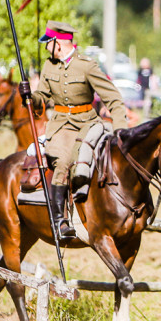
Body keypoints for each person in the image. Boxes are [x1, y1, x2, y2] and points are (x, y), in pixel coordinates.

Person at [28, 21, 127, 240]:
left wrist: (121, 131)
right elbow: (42, 98)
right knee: (63, 160)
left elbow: (113, 98)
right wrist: (30, 96)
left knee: (86, 158)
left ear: (58, 44)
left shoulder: (87, 66)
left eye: (48, 44)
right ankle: (59, 220)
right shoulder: (48, 66)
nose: (46, 48)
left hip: (87, 123)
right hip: (61, 124)